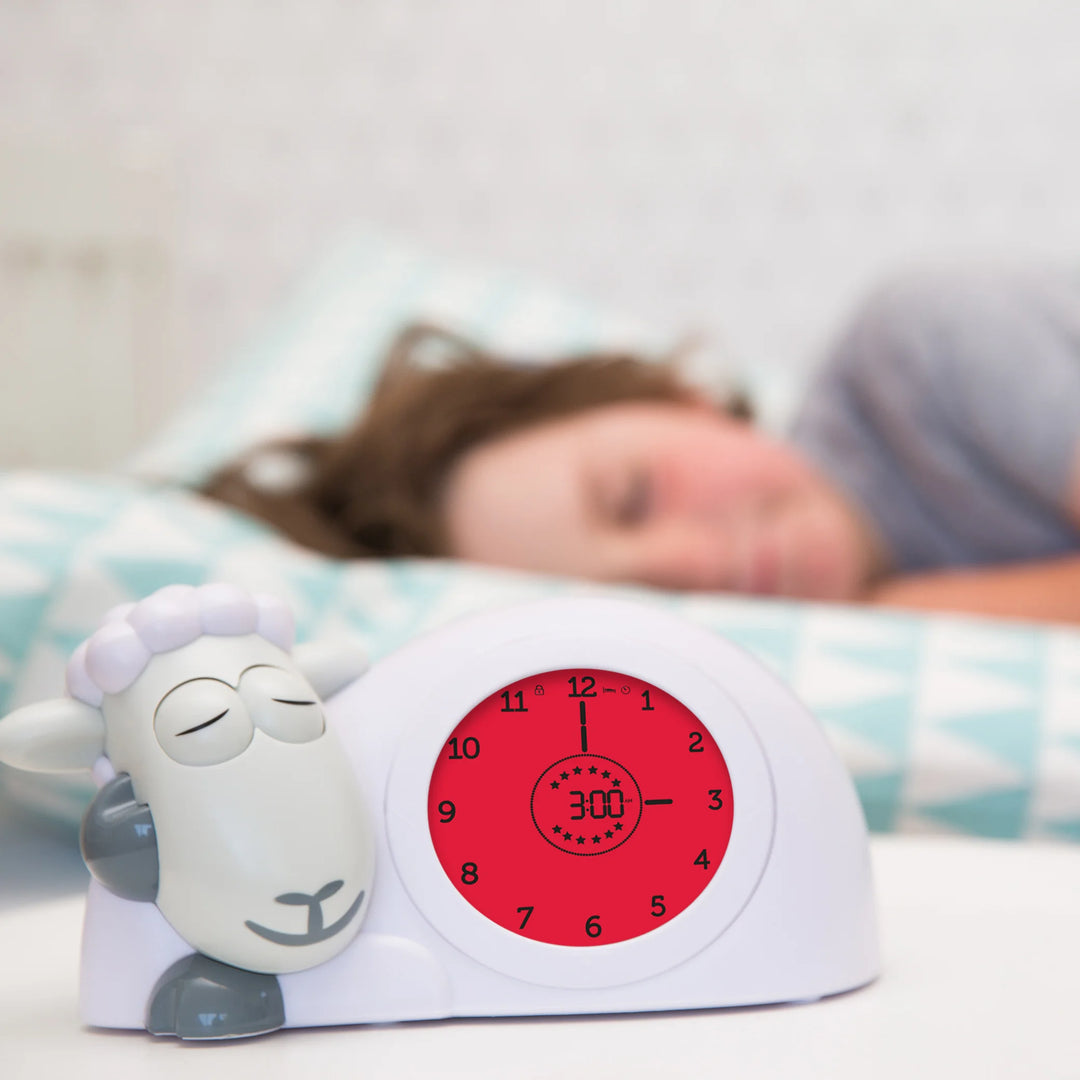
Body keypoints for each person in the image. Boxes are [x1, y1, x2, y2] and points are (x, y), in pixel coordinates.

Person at [204, 269, 1080, 624]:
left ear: (677, 401)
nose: (691, 563)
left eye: (632, 496)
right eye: (640, 596)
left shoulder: (921, 354)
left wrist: (896, 610)